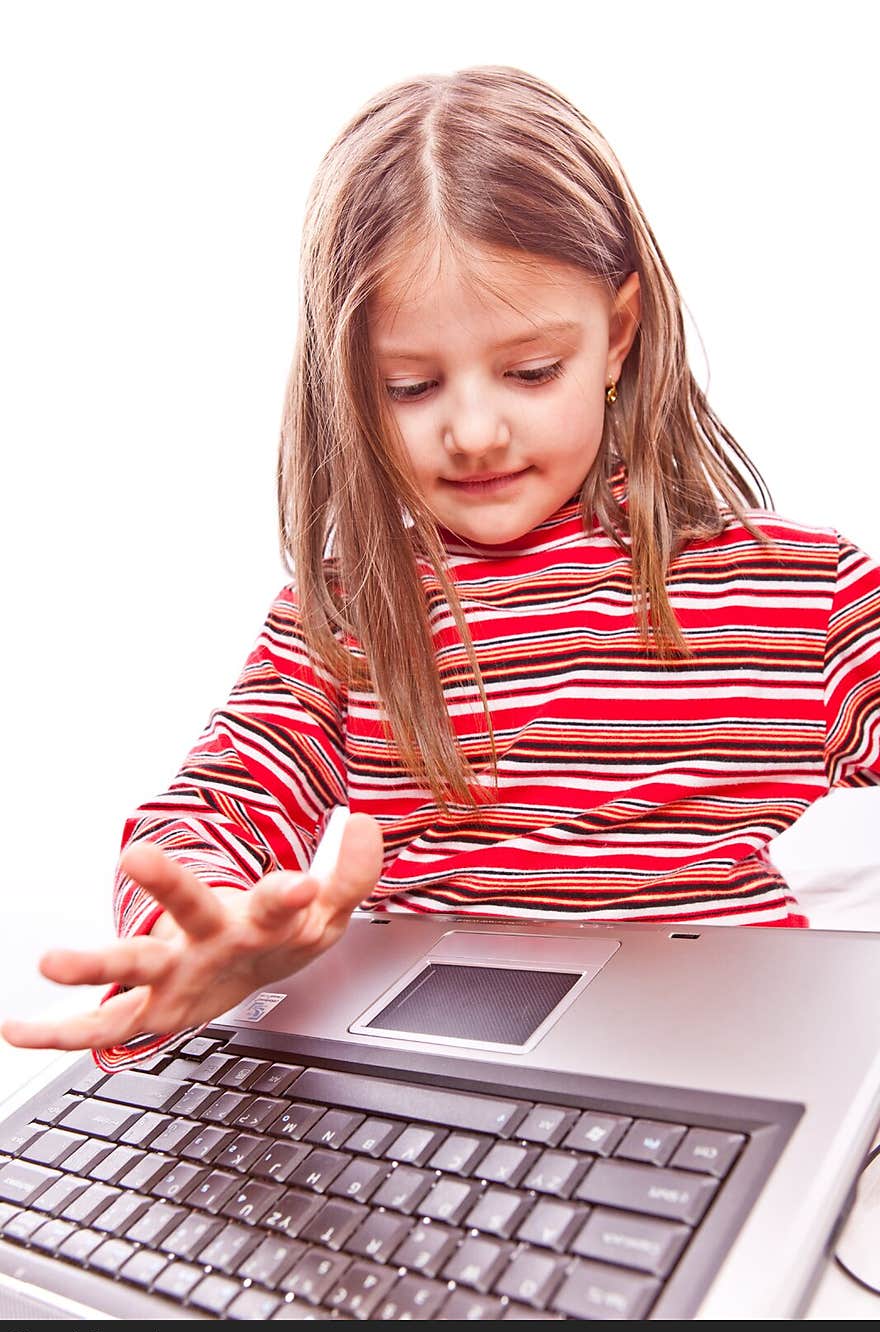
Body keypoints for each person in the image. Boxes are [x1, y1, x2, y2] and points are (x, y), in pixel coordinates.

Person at [3, 65, 878, 1074]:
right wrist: (189, 943)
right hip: (438, 1088)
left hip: (719, 1074)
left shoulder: (802, 593)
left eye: (529, 371)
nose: (472, 430)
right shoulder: (344, 616)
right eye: (410, 385)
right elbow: (214, 810)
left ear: (617, 335)